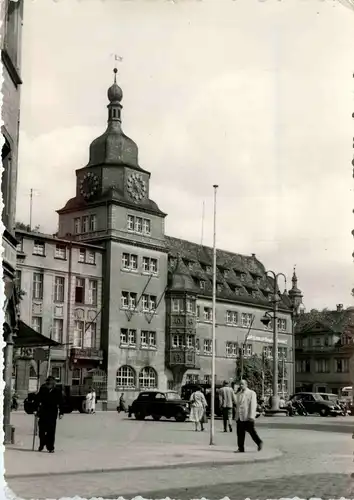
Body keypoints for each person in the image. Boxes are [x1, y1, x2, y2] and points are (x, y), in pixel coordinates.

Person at [35, 376, 64, 453]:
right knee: (41, 430)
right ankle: (42, 444)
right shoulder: (43, 389)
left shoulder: (57, 391)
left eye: (49, 383)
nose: (48, 385)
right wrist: (35, 410)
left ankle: (50, 447)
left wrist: (61, 412)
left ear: (53, 384)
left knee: (51, 431)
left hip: (52, 413)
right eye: (47, 383)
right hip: (43, 412)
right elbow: (37, 399)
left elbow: (61, 402)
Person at [234, 379, 263, 453]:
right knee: (240, 433)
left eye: (242, 384)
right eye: (240, 384)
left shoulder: (251, 393)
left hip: (247, 416)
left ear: (246, 385)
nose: (241, 385)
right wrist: (236, 416)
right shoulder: (239, 394)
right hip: (240, 416)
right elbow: (237, 406)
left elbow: (253, 405)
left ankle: (259, 442)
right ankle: (240, 448)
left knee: (252, 431)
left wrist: (251, 416)